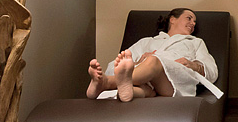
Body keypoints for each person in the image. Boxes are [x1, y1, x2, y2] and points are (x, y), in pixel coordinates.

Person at [86, 8, 219, 102]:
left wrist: (194, 65)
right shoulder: (147, 41)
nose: (193, 23)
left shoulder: (195, 42)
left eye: (195, 22)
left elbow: (212, 71)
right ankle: (130, 91)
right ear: (173, 19)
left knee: (153, 61)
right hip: (146, 83)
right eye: (189, 18)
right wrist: (138, 62)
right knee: (143, 88)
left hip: (172, 81)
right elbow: (115, 66)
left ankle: (107, 83)